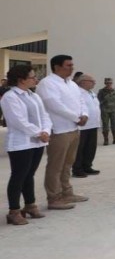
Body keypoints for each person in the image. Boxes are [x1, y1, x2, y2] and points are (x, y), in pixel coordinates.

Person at [36, 54, 89, 210]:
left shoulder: (71, 84)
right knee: (56, 165)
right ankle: (54, 197)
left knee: (67, 164)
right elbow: (54, 105)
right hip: (59, 129)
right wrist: (76, 117)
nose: (72, 68)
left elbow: (81, 101)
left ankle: (67, 192)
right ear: (57, 67)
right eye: (68, 65)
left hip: (73, 129)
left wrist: (84, 114)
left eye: (72, 65)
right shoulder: (48, 83)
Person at [1, 65, 51, 225]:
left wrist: (46, 130)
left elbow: (44, 115)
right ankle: (13, 211)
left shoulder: (33, 95)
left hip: (37, 142)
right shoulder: (10, 97)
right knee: (18, 175)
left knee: (29, 175)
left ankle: (30, 205)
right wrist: (39, 133)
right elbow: (17, 121)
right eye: (32, 77)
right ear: (21, 79)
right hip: (21, 143)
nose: (36, 79)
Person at [73, 74, 102, 177]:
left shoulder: (91, 93)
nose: (94, 83)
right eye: (91, 81)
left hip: (93, 124)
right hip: (83, 125)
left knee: (90, 148)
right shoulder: (77, 92)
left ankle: (87, 166)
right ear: (83, 82)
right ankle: (77, 169)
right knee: (80, 148)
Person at [97, 77, 115, 145]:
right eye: (107, 83)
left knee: (114, 125)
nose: (109, 84)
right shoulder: (101, 91)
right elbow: (98, 101)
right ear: (105, 83)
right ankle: (106, 140)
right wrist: (104, 100)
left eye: (110, 83)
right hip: (105, 110)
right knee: (105, 125)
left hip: (114, 110)